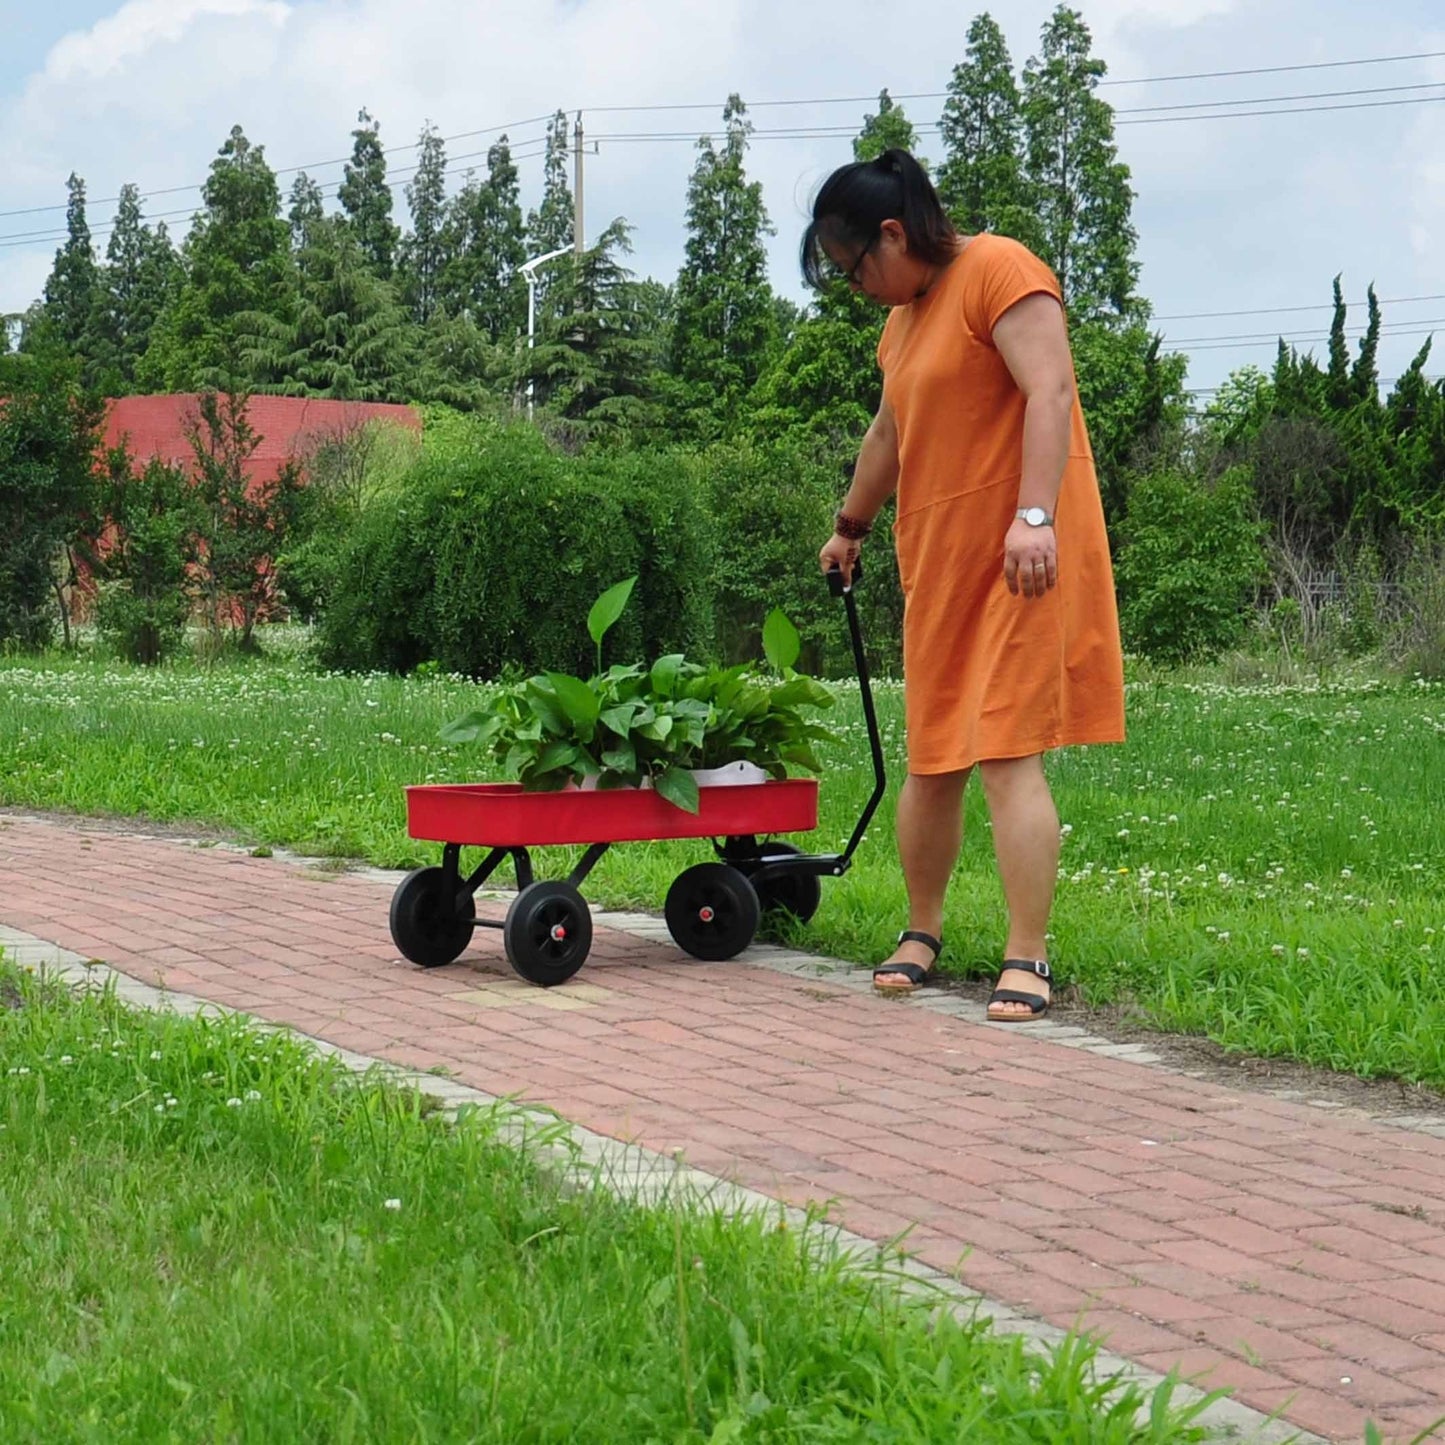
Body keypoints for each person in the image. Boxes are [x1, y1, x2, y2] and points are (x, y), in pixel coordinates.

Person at [806, 148, 1125, 1021]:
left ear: (892, 233)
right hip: (937, 561)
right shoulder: (903, 321)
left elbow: (1050, 390)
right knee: (933, 754)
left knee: (1006, 751)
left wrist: (1033, 517)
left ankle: (1027, 953)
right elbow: (888, 434)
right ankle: (922, 930)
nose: (854, 285)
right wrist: (849, 526)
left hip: (1020, 559)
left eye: (853, 267)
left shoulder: (999, 270)